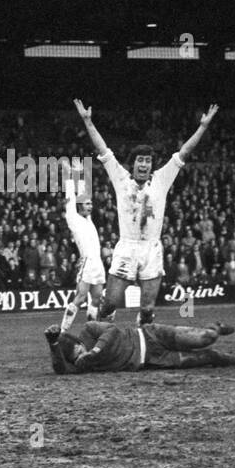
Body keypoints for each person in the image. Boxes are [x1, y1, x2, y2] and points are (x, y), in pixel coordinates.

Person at [74, 99, 217, 327]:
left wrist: (203, 126)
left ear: (152, 165)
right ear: (133, 164)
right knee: (109, 303)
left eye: (148, 161)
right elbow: (103, 149)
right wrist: (87, 121)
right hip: (127, 247)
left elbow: (185, 152)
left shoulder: (161, 180)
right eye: (140, 160)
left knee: (148, 309)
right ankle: (101, 337)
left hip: (151, 248)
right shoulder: (121, 179)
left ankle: (145, 345)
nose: (144, 164)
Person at [44, 320, 235, 374]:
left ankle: (216, 327)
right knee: (209, 356)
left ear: (79, 343)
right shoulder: (79, 363)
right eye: (76, 356)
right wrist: (53, 345)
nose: (81, 355)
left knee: (207, 339)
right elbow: (60, 370)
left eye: (79, 350)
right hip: (155, 360)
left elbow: (112, 330)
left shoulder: (88, 330)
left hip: (151, 334)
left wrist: (96, 350)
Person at [59, 178, 104, 332]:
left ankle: (91, 331)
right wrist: (70, 180)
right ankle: (63, 330)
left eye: (91, 203)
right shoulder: (74, 219)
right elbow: (71, 200)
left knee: (97, 298)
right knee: (80, 297)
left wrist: (82, 182)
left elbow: (83, 195)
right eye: (87, 204)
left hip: (98, 264)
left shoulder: (88, 220)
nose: (90, 206)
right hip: (88, 263)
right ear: (79, 206)